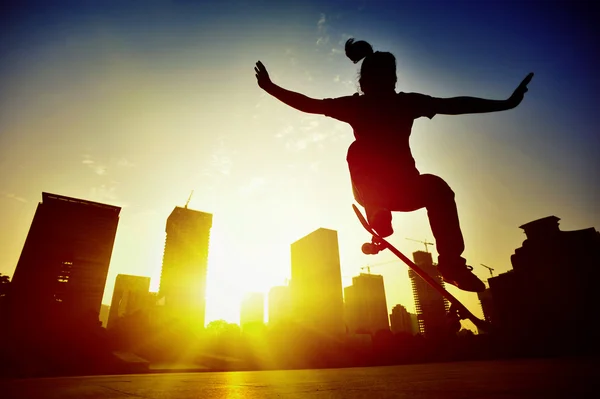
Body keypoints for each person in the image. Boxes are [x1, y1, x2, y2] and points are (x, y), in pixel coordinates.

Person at [254, 38, 533, 292]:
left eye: (388, 81)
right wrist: (271, 88)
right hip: (372, 192)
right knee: (358, 149)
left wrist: (505, 103)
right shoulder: (360, 106)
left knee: (437, 186)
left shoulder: (404, 103)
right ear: (364, 84)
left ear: (393, 80)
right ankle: (379, 212)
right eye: (378, 82)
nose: (383, 88)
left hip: (405, 188)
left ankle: (450, 264)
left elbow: (455, 105)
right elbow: (309, 104)